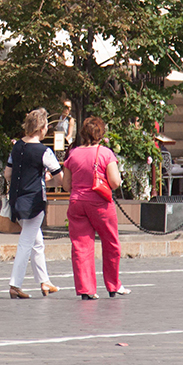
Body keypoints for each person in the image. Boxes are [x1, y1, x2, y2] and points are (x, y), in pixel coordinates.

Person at [62, 116, 130, 300]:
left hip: (77, 203)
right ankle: (113, 284)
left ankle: (87, 289)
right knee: (111, 244)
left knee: (81, 246)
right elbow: (115, 182)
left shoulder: (73, 154)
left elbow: (66, 185)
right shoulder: (106, 153)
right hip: (100, 202)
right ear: (101, 134)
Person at [5, 108, 61, 299]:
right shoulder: (44, 151)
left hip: (17, 199)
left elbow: (7, 174)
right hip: (34, 201)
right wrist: (45, 180)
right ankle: (15, 284)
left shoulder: (17, 147)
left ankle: (44, 281)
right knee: (26, 242)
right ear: (42, 128)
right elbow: (59, 178)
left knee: (37, 242)